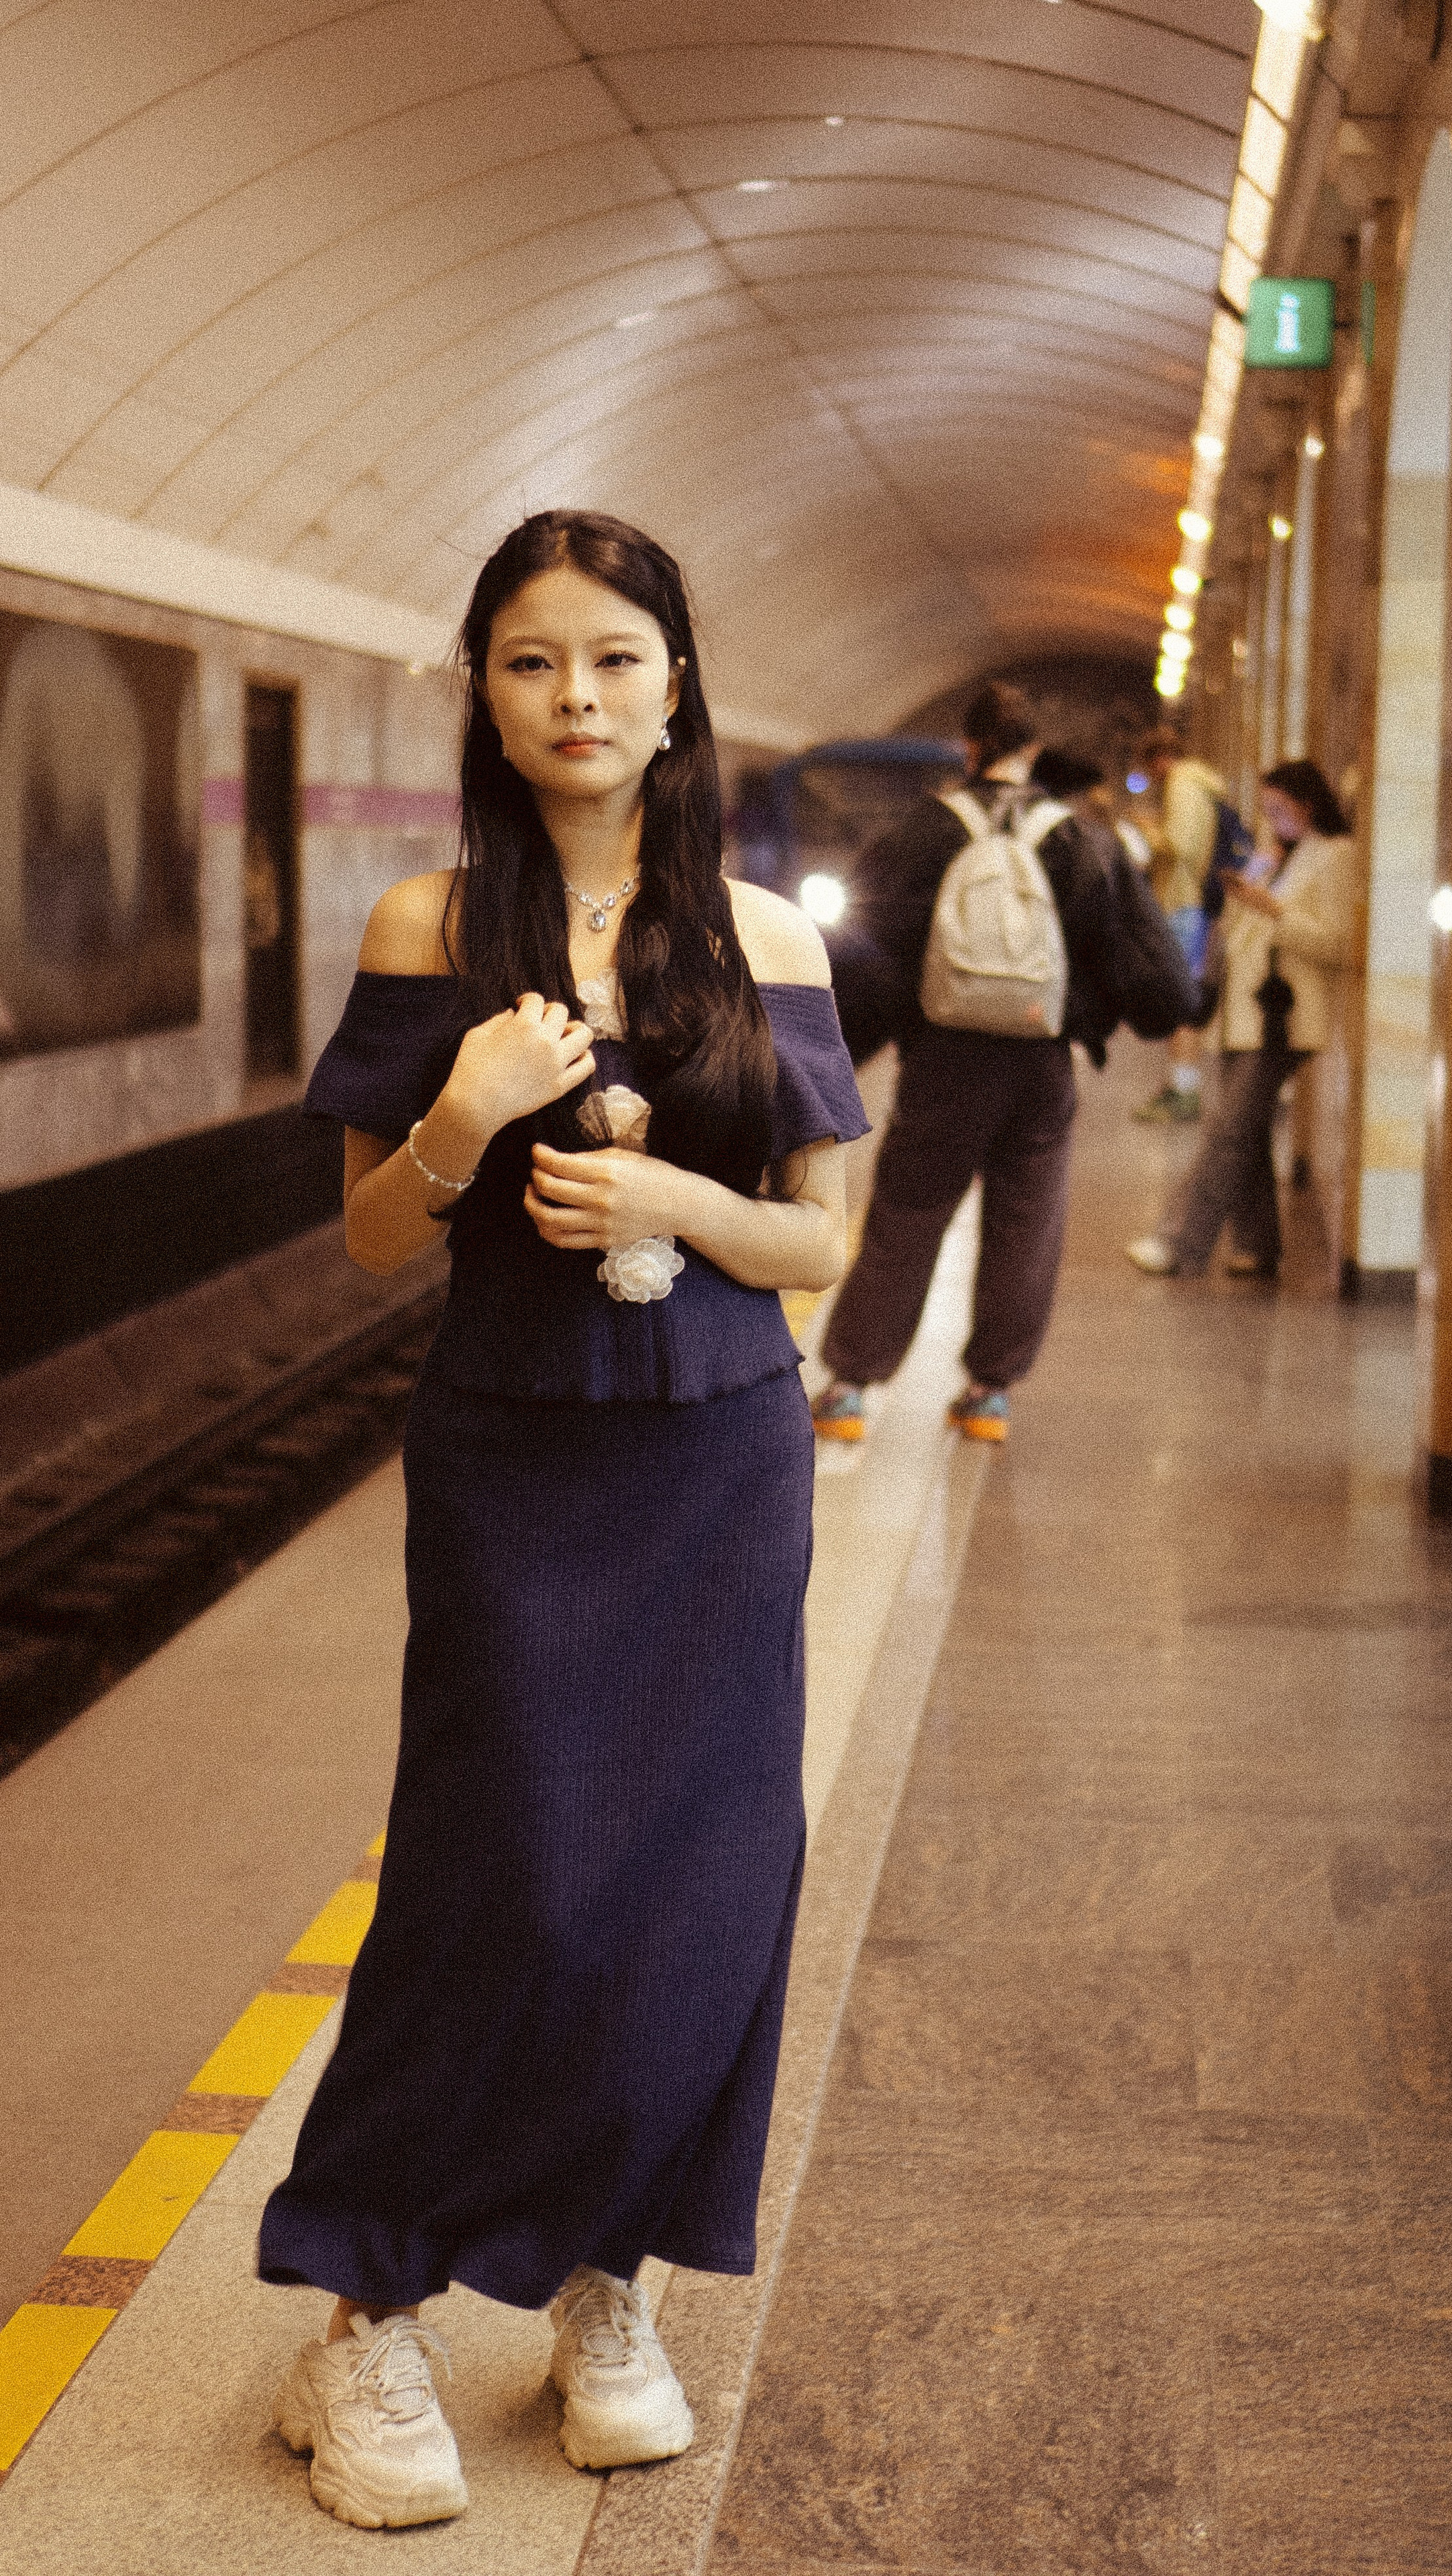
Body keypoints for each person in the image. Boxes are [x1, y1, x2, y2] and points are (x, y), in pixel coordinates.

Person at [257, 510, 868, 2530]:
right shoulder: (429, 925)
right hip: (516, 1453)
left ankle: (609, 2289)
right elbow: (363, 1238)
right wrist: (462, 1112)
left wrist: (682, 1208)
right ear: (487, 692)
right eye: (532, 661)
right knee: (496, 1871)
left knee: (700, 1888)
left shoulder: (766, 941)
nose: (576, 696)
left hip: (717, 1459)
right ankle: (365, 2303)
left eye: (613, 657)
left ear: (676, 681)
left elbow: (819, 1245)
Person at [813, 681, 1194, 1445]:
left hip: (945, 1059)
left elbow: (863, 950)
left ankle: (851, 1384)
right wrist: (1101, 1017)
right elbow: (1145, 966)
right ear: (1032, 753)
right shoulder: (1084, 840)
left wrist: (850, 1048)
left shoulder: (924, 830)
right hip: (1042, 1062)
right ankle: (988, 1392)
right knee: (1028, 1220)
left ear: (970, 749)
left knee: (907, 1212)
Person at [1127, 759, 1355, 1281]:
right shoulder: (1276, 856)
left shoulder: (1336, 856)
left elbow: (1338, 944)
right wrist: (1253, 883)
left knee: (1228, 1131)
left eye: (1281, 808)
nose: (1273, 819)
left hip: (1285, 1016)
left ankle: (1179, 1243)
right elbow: (1238, 925)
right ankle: (1257, 1245)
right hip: (1241, 1012)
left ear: (1308, 804)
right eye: (1267, 809)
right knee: (1244, 1133)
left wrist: (1273, 911)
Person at [1135, 725, 1231, 1123]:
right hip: (1193, 905)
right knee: (1182, 998)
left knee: (1181, 1000)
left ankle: (1185, 1092)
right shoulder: (1201, 786)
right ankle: (1181, 1085)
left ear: (1158, 762)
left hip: (1183, 906)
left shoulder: (1181, 784)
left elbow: (1180, 847)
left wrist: (1147, 828)